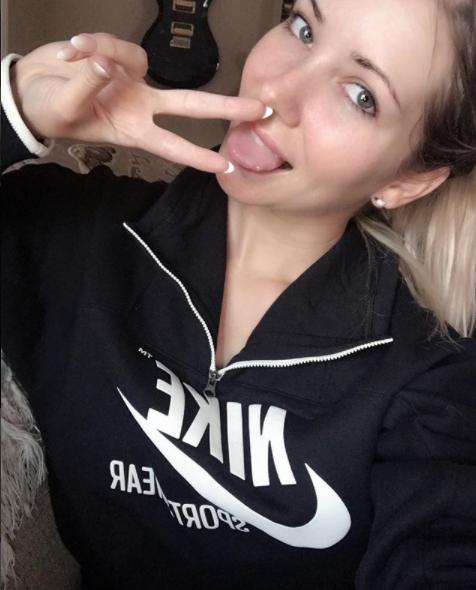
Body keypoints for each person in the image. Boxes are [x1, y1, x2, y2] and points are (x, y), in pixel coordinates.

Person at [1, 0, 475, 588]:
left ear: (407, 180)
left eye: (361, 95)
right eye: (303, 28)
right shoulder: (84, 234)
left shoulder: (429, 367)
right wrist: (14, 111)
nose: (278, 90)